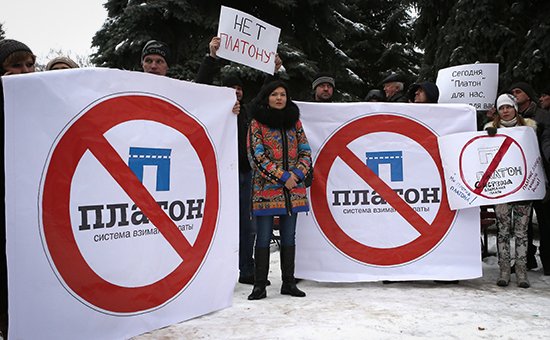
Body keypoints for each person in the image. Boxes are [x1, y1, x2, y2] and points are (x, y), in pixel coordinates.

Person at [195, 37, 281, 285]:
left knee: (248, 227)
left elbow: (265, 96)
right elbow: (200, 87)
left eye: (239, 88)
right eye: (230, 88)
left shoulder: (248, 111)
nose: (236, 91)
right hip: (219, 178)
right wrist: (211, 58)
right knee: (216, 226)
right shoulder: (212, 109)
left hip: (246, 177)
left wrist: (272, 72)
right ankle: (214, 274)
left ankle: (247, 270)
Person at [247, 80, 312, 300]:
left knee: (289, 237)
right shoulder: (257, 123)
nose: (279, 98)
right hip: (266, 191)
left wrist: (297, 174)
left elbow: (305, 151)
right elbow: (256, 156)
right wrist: (283, 177)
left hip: (293, 191)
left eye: (283, 94)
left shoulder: (295, 122)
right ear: (267, 97)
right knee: (263, 237)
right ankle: (259, 286)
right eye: (274, 94)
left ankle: (289, 283)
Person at [0, 38, 37, 339]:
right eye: (16, 65)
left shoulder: (41, 103)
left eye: (29, 64)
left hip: (28, 216)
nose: (25, 72)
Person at [484, 93, 537, 288]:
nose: (505, 111)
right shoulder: (490, 130)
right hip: (502, 189)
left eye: (509, 107)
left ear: (515, 108)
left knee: (522, 231)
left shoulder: (529, 129)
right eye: (501, 108)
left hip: (523, 188)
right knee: (503, 231)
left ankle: (521, 270)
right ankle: (504, 269)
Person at [511, 82, 549, 270]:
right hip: (520, 177)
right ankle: (526, 259)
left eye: (518, 91)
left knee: (544, 220)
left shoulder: (542, 116)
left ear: (528, 95)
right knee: (522, 223)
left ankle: (548, 261)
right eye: (513, 92)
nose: (515, 95)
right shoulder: (511, 116)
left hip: (539, 175)